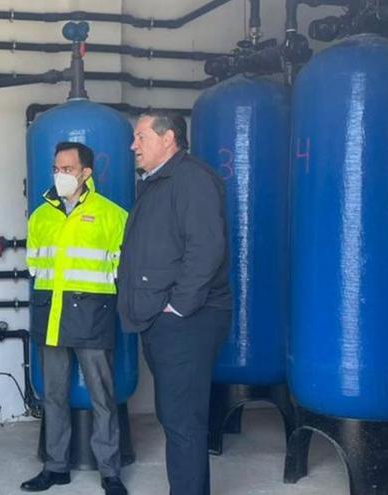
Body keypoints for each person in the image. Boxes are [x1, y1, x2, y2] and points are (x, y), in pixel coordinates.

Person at [117, 111, 231, 495]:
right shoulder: (156, 183)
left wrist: (178, 306)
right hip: (163, 318)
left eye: (141, 137)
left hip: (187, 321)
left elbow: (206, 248)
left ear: (168, 139)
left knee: (183, 421)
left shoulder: (193, 179)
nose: (134, 145)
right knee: (177, 417)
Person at [23, 141, 129, 495]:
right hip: (51, 315)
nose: (60, 174)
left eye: (67, 169)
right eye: (57, 168)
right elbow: (35, 268)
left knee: (102, 396)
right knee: (53, 395)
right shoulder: (40, 216)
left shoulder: (112, 215)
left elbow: (121, 271)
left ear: (86, 173)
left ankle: (110, 472)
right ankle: (55, 467)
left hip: (93, 316)